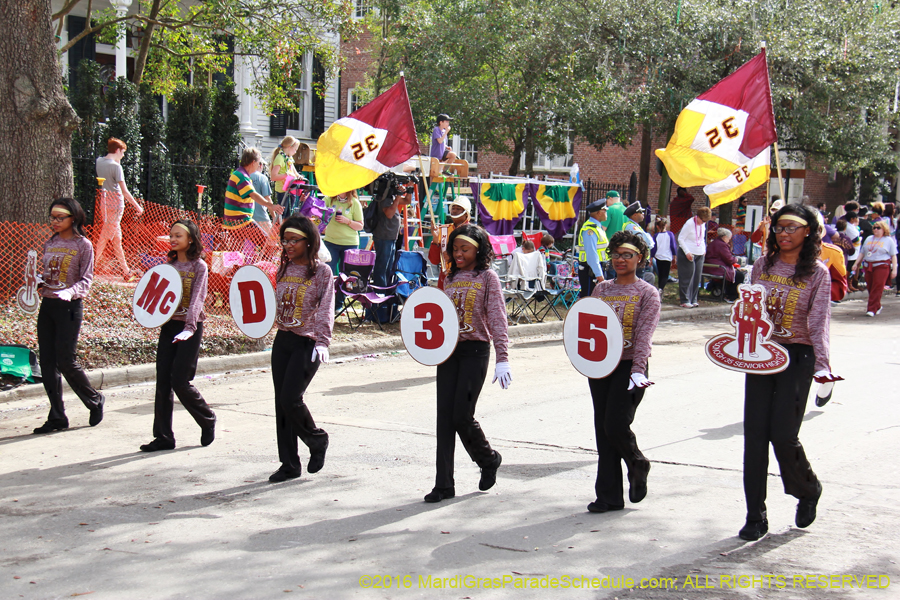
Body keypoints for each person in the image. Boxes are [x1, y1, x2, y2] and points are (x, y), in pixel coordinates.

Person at [738, 203, 843, 541]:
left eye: (791, 228)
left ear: (808, 232)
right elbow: (749, 309)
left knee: (783, 435)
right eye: (779, 227)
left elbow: (819, 322)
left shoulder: (817, 272)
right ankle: (755, 515)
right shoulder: (763, 264)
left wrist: (823, 366)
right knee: (755, 436)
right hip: (761, 354)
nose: (783, 233)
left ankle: (808, 489)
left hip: (798, 356)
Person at [425, 224, 509, 503]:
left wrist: (503, 358)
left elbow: (497, 317)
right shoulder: (449, 277)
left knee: (462, 415)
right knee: (444, 420)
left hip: (475, 350)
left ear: (479, 250)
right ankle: (443, 485)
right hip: (449, 353)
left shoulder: (487, 277)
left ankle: (488, 459)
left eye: (465, 249)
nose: (458, 254)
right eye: (455, 249)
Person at [587, 230, 660, 513]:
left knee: (615, 425)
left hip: (630, 367)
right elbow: (589, 326)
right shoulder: (602, 289)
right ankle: (608, 496)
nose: (620, 260)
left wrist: (638, 370)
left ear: (639, 258)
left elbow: (644, 336)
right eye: (615, 254)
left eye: (627, 255)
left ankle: (637, 462)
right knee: (602, 430)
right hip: (601, 366)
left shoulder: (647, 293)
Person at [140, 219, 217, 452]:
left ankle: (207, 418)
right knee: (163, 381)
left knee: (180, 381)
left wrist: (189, 327)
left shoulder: (199, 267)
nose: (172, 239)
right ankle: (163, 436)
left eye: (178, 236)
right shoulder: (169, 266)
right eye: (171, 235)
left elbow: (197, 300)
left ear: (190, 239)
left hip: (190, 328)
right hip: (169, 327)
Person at [268, 216, 334, 482]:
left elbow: (326, 306)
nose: (288, 245)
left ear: (309, 241)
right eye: (284, 240)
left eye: (294, 240)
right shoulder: (283, 269)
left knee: (291, 399)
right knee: (281, 403)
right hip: (283, 340)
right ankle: (289, 463)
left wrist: (323, 341)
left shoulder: (322, 272)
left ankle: (316, 439)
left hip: (308, 343)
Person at [33, 198, 105, 434]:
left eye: (60, 218)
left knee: (66, 360)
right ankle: (57, 416)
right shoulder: (50, 242)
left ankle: (94, 399)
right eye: (52, 217)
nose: (55, 221)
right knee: (47, 362)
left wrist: (70, 292)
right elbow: (48, 273)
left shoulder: (83, 245)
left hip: (69, 307)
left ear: (73, 218)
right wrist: (39, 281)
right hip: (48, 305)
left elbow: (86, 279)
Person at [95, 137, 144, 279]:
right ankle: (91, 265)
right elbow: (124, 191)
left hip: (104, 202)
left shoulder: (99, 161)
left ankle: (125, 270)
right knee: (105, 237)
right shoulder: (117, 167)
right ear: (117, 150)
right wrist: (137, 207)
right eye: (122, 152)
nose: (123, 156)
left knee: (116, 238)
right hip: (116, 204)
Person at [224, 148, 274, 251]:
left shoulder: (240, 174)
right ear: (253, 162)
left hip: (236, 221)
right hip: (241, 221)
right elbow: (253, 195)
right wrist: (271, 205)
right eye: (259, 163)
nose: (259, 165)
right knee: (268, 244)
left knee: (238, 251)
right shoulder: (241, 176)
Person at [323, 190, 364, 311]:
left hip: (350, 243)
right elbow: (317, 207)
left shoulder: (354, 203)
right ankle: (326, 303)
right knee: (327, 272)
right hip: (331, 241)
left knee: (345, 276)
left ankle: (339, 304)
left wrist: (348, 221)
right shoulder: (329, 199)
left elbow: (360, 226)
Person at [851, 220, 897, 316]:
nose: (876, 229)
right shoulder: (869, 238)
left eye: (878, 228)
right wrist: (856, 264)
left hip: (881, 266)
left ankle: (871, 309)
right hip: (868, 265)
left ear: (884, 229)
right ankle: (877, 306)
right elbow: (862, 252)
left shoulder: (888, 240)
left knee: (877, 287)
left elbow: (893, 255)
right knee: (870, 287)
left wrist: (894, 270)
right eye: (874, 228)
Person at [372, 181, 412, 288]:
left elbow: (407, 201)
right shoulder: (383, 198)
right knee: (382, 266)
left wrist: (410, 188)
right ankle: (380, 290)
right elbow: (389, 214)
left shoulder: (391, 198)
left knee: (389, 266)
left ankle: (385, 288)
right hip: (384, 237)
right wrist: (398, 196)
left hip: (391, 237)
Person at [428, 196, 472, 288]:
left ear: (466, 213)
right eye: (453, 208)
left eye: (458, 209)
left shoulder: (473, 232)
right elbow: (434, 260)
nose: (454, 211)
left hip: (467, 279)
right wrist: (435, 239)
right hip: (445, 279)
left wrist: (453, 257)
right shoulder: (443, 230)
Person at [676, 206, 711, 307]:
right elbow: (681, 239)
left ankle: (693, 299)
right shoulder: (689, 224)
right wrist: (687, 252)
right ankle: (685, 300)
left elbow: (702, 238)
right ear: (698, 217)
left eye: (705, 221)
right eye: (702, 220)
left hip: (699, 253)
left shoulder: (703, 224)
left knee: (697, 277)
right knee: (687, 277)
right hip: (688, 253)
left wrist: (704, 249)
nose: (703, 223)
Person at [248, 163, 285, 251]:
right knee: (270, 243)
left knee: (249, 243)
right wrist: (274, 216)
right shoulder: (262, 178)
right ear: (260, 165)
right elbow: (267, 198)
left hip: (247, 216)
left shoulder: (245, 177)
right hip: (261, 217)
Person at [576, 200, 609, 298]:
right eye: (605, 211)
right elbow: (591, 254)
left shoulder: (598, 228)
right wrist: (598, 274)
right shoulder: (590, 229)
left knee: (597, 299)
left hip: (596, 268)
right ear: (599, 213)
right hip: (590, 271)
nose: (606, 213)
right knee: (589, 299)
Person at [704, 228, 745, 302]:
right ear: (725, 237)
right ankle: (731, 296)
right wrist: (736, 259)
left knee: (736, 273)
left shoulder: (714, 242)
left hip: (710, 267)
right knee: (739, 275)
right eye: (729, 238)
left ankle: (725, 292)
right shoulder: (722, 245)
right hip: (717, 269)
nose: (729, 240)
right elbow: (729, 259)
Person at [270, 136, 302, 214]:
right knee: (283, 213)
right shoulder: (280, 158)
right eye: (295, 149)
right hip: (282, 190)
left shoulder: (289, 158)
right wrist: (286, 175)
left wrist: (298, 176)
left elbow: (294, 171)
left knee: (289, 213)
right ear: (289, 147)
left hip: (290, 188)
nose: (295, 152)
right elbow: (273, 177)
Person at [650, 217, 676, 295]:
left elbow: (654, 247)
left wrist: (651, 257)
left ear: (657, 226)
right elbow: (673, 246)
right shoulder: (670, 234)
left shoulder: (656, 235)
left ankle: (660, 289)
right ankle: (661, 289)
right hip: (667, 257)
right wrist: (674, 256)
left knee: (660, 274)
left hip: (658, 257)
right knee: (665, 275)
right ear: (666, 225)